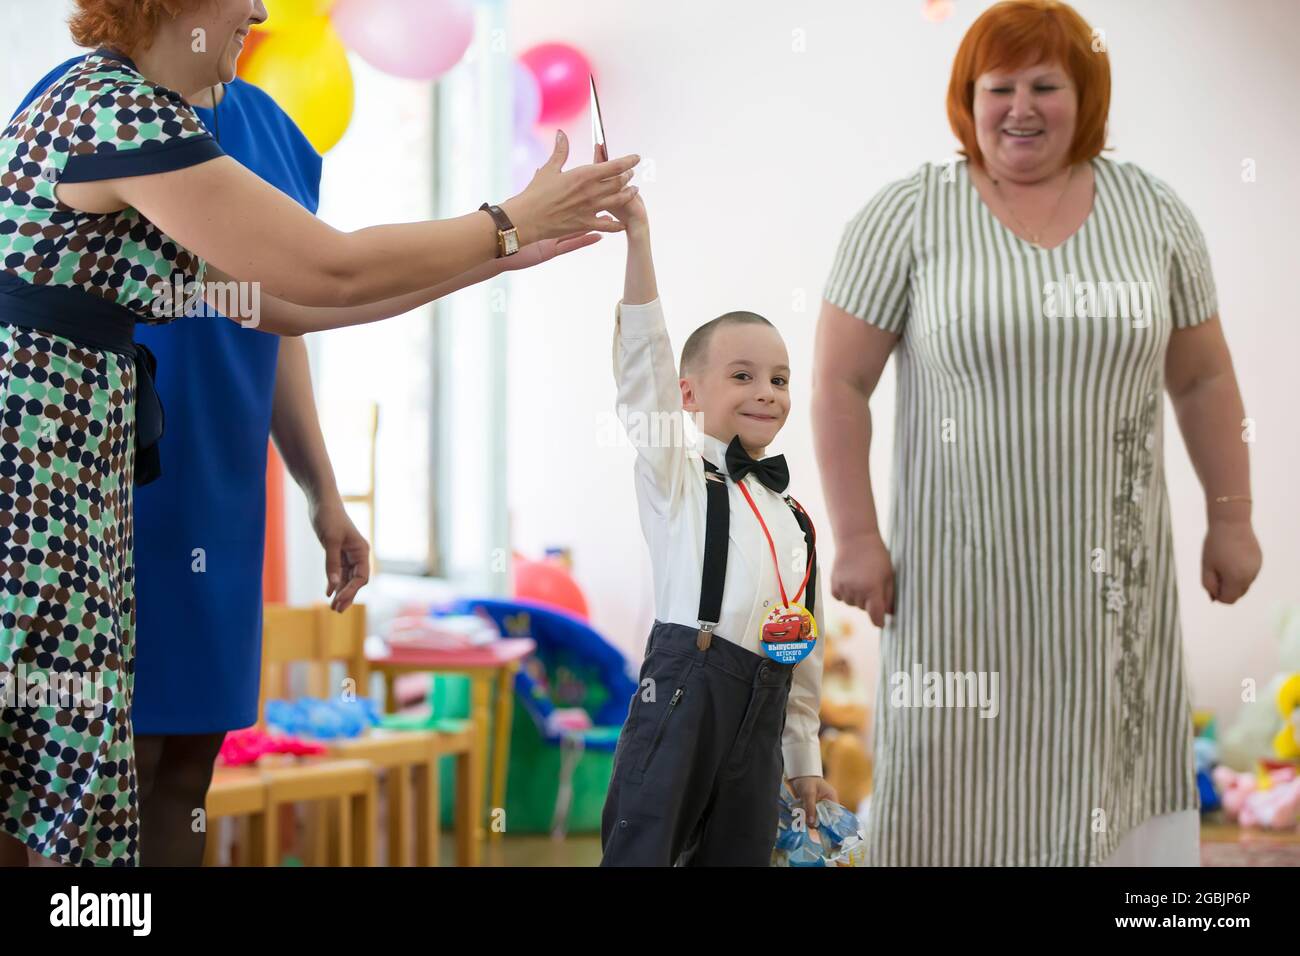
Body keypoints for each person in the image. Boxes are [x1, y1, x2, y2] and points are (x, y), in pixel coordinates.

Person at [0, 0, 639, 867]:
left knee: (74, 796)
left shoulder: (139, 116)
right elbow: (327, 267)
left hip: (79, 490)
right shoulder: (113, 109)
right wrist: (505, 220)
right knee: (54, 798)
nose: (261, 11)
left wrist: (499, 252)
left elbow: (282, 304)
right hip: (37, 497)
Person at [813, 0, 1261, 866]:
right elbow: (840, 381)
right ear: (968, 99)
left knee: (1112, 791)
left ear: (1083, 94)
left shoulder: (1155, 214)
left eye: (1045, 85)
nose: (1021, 107)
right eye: (999, 86)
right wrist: (858, 536)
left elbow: (1203, 376)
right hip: (955, 583)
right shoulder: (907, 215)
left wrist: (1233, 517)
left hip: (1113, 593)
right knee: (958, 784)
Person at [599, 180, 834, 866]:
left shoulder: (796, 522)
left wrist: (803, 755)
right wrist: (638, 240)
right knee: (644, 851)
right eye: (743, 375)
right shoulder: (676, 471)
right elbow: (642, 367)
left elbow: (802, 649)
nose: (766, 391)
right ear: (689, 393)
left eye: (780, 379)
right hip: (682, 699)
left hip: (761, 719)